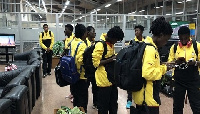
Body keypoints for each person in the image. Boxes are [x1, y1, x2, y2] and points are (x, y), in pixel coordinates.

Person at [131, 17, 173, 114]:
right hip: (148, 100)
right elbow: (148, 73)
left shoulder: (145, 44)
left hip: (143, 97)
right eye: (166, 40)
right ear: (161, 35)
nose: (165, 43)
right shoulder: (150, 49)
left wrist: (162, 64)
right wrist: (165, 68)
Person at [168, 26, 200, 114]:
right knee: (177, 107)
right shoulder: (174, 47)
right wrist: (176, 62)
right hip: (178, 81)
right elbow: (169, 64)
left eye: (185, 38)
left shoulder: (197, 46)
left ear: (189, 36)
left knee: (196, 106)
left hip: (193, 81)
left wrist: (195, 63)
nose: (183, 40)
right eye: (181, 38)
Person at [92, 26, 124, 114]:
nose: (116, 42)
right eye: (116, 39)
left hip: (111, 79)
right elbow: (95, 63)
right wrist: (112, 58)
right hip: (103, 80)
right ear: (112, 37)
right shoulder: (100, 45)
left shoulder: (110, 43)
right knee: (103, 106)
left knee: (113, 104)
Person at [70, 24, 88, 113]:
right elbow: (81, 61)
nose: (86, 35)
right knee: (83, 100)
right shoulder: (82, 44)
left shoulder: (73, 42)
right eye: (85, 33)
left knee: (76, 98)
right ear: (82, 33)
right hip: (81, 76)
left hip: (73, 75)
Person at [126, 25, 145, 109]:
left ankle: (142, 101)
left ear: (141, 32)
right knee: (131, 84)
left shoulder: (146, 42)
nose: (136, 32)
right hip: (133, 67)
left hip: (143, 67)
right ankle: (129, 100)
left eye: (137, 30)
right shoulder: (132, 42)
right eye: (135, 31)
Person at [85, 26, 98, 109]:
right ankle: (83, 106)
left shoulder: (95, 43)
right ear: (88, 33)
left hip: (94, 70)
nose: (95, 33)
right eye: (93, 31)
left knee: (95, 88)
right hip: (86, 71)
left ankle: (95, 103)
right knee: (84, 88)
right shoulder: (85, 43)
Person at [64, 24, 74, 102]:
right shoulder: (67, 38)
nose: (65, 31)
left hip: (72, 61)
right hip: (68, 60)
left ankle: (74, 95)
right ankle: (71, 93)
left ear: (70, 31)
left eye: (66, 29)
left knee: (73, 78)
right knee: (70, 78)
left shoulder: (73, 38)